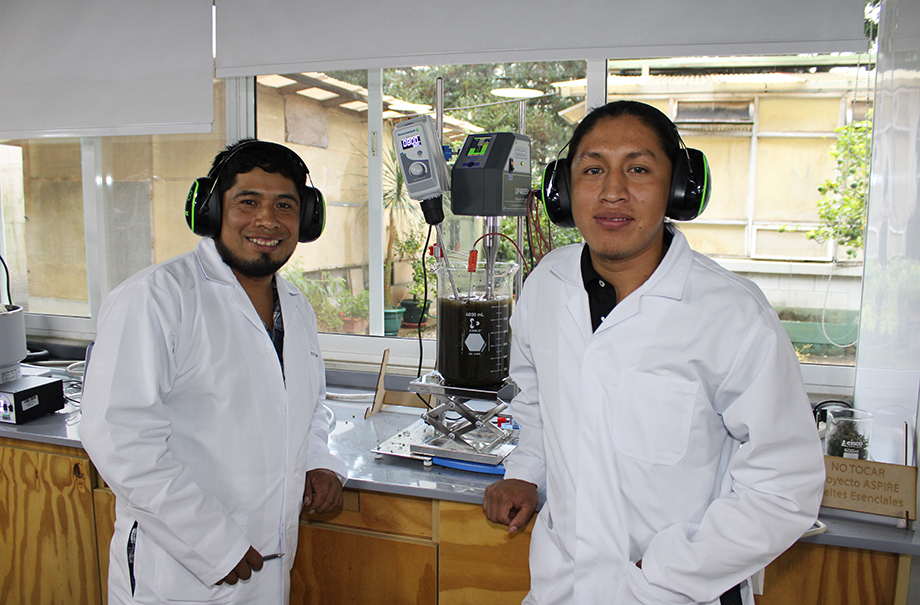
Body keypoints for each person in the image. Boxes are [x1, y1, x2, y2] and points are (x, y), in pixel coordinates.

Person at [482, 101, 825, 605]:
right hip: (560, 587)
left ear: (679, 188)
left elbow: (785, 486)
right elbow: (534, 402)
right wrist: (525, 474)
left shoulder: (732, 314)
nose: (612, 191)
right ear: (564, 190)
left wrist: (664, 571)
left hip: (676, 592)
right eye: (592, 170)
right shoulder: (546, 286)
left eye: (638, 169)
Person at [81, 139, 347, 605]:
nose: (267, 220)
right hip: (181, 569)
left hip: (269, 564)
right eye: (248, 202)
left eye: (284, 206)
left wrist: (318, 460)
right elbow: (119, 438)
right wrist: (212, 542)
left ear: (306, 220)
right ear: (211, 210)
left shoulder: (296, 307)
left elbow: (307, 406)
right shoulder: (156, 298)